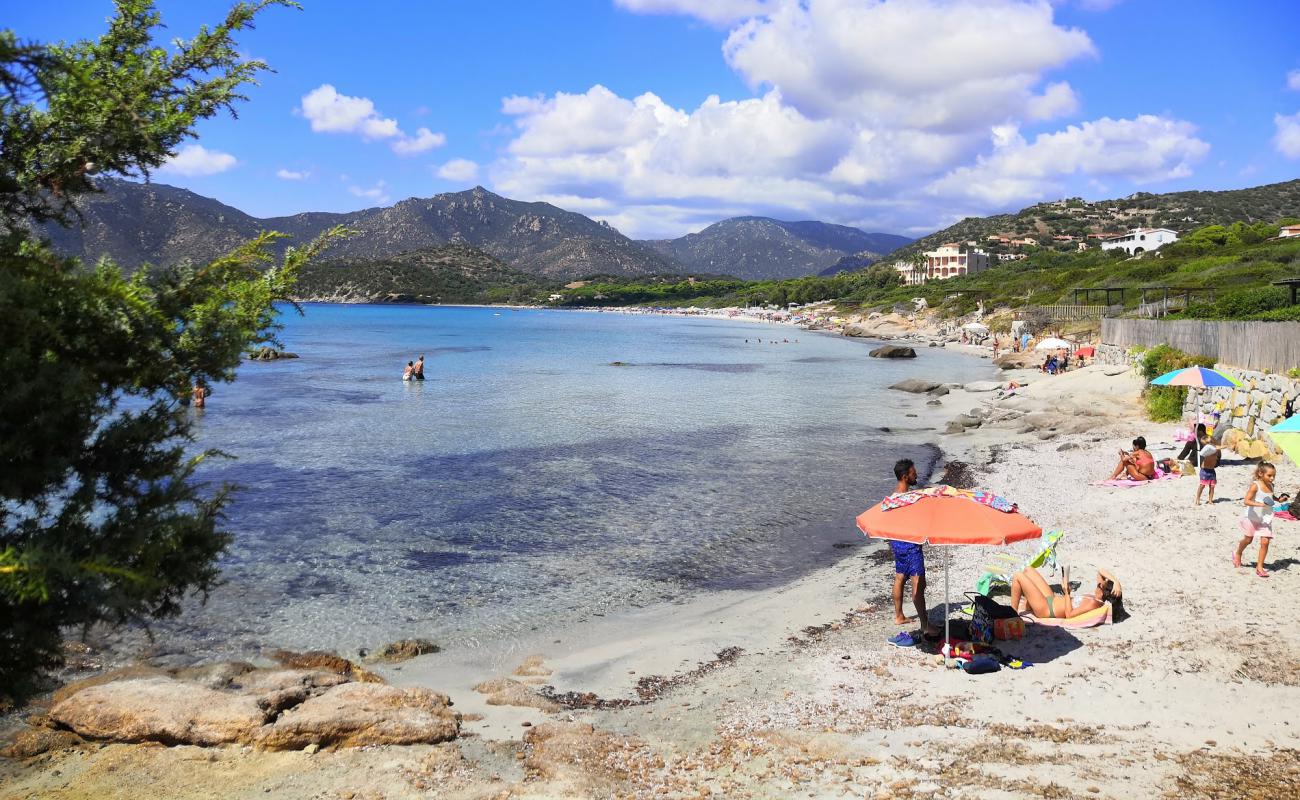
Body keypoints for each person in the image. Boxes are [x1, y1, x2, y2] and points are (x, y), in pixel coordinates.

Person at [887, 459, 940, 639]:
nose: (916, 475)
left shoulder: (893, 498)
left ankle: (899, 615)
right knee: (918, 582)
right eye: (913, 473)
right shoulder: (909, 500)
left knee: (900, 576)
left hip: (896, 542)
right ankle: (925, 625)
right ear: (905, 477)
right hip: (909, 544)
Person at [1010, 566, 1122, 620]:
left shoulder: (1094, 603)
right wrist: (1116, 582)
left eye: (1103, 583)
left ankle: (1011, 614)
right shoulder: (1095, 597)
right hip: (1051, 599)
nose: (1102, 581)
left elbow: (1069, 615)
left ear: (1103, 590)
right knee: (1028, 570)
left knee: (1018, 576)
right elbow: (1101, 571)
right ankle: (1030, 604)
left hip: (1046, 609)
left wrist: (1067, 593)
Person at [1234, 462, 1277, 577]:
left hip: (1266, 518)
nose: (1272, 478)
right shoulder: (1255, 486)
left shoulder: (1271, 485)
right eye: (1269, 475)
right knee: (1248, 540)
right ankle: (1238, 552)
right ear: (1260, 473)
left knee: (1265, 542)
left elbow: (1271, 498)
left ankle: (1259, 567)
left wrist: (1280, 499)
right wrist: (1260, 504)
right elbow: (1246, 501)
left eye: (1274, 476)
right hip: (1252, 517)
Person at [1195, 432, 1220, 506]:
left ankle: (1210, 500)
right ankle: (1197, 499)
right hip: (1204, 470)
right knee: (1202, 485)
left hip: (1212, 470)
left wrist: (1229, 445)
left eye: (1211, 441)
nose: (1211, 441)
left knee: (1212, 486)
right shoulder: (1208, 450)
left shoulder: (1214, 448)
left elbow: (1219, 447)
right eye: (1209, 441)